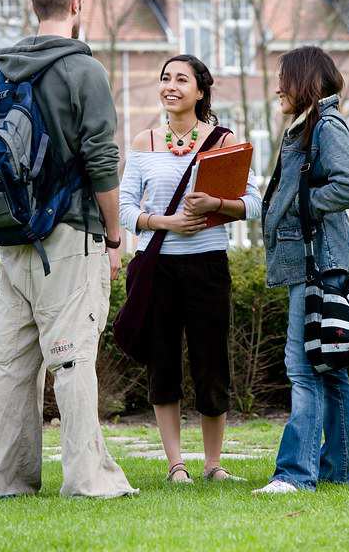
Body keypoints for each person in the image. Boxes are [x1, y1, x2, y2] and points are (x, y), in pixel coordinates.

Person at [0, 0, 137, 498]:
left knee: (10, 364)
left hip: (12, 237)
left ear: (32, 5)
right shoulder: (83, 71)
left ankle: (4, 479)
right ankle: (87, 480)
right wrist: (114, 237)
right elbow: (101, 157)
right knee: (71, 358)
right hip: (69, 234)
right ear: (77, 3)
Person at [120, 54, 262, 482]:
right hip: (157, 269)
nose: (171, 86)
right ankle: (175, 464)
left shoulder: (223, 140)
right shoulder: (143, 142)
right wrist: (166, 222)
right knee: (162, 364)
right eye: (165, 78)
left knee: (211, 363)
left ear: (201, 90)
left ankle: (214, 464)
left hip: (207, 268)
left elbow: (253, 204)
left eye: (182, 79)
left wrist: (215, 204)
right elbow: (125, 211)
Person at [255, 46, 349, 494]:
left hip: (318, 264)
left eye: (285, 78)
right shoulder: (304, 129)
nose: (278, 87)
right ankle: (338, 469)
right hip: (312, 262)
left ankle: (296, 475)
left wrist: (304, 207)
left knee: (302, 368)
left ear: (304, 82)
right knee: (328, 368)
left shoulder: (326, 127)